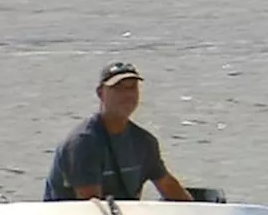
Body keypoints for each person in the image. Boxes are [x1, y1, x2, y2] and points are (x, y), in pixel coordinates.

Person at [42, 60, 194, 202]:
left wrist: (196, 213)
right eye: (118, 88)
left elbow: (168, 186)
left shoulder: (144, 142)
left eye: (132, 88)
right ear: (100, 93)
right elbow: (92, 205)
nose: (127, 95)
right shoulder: (83, 143)